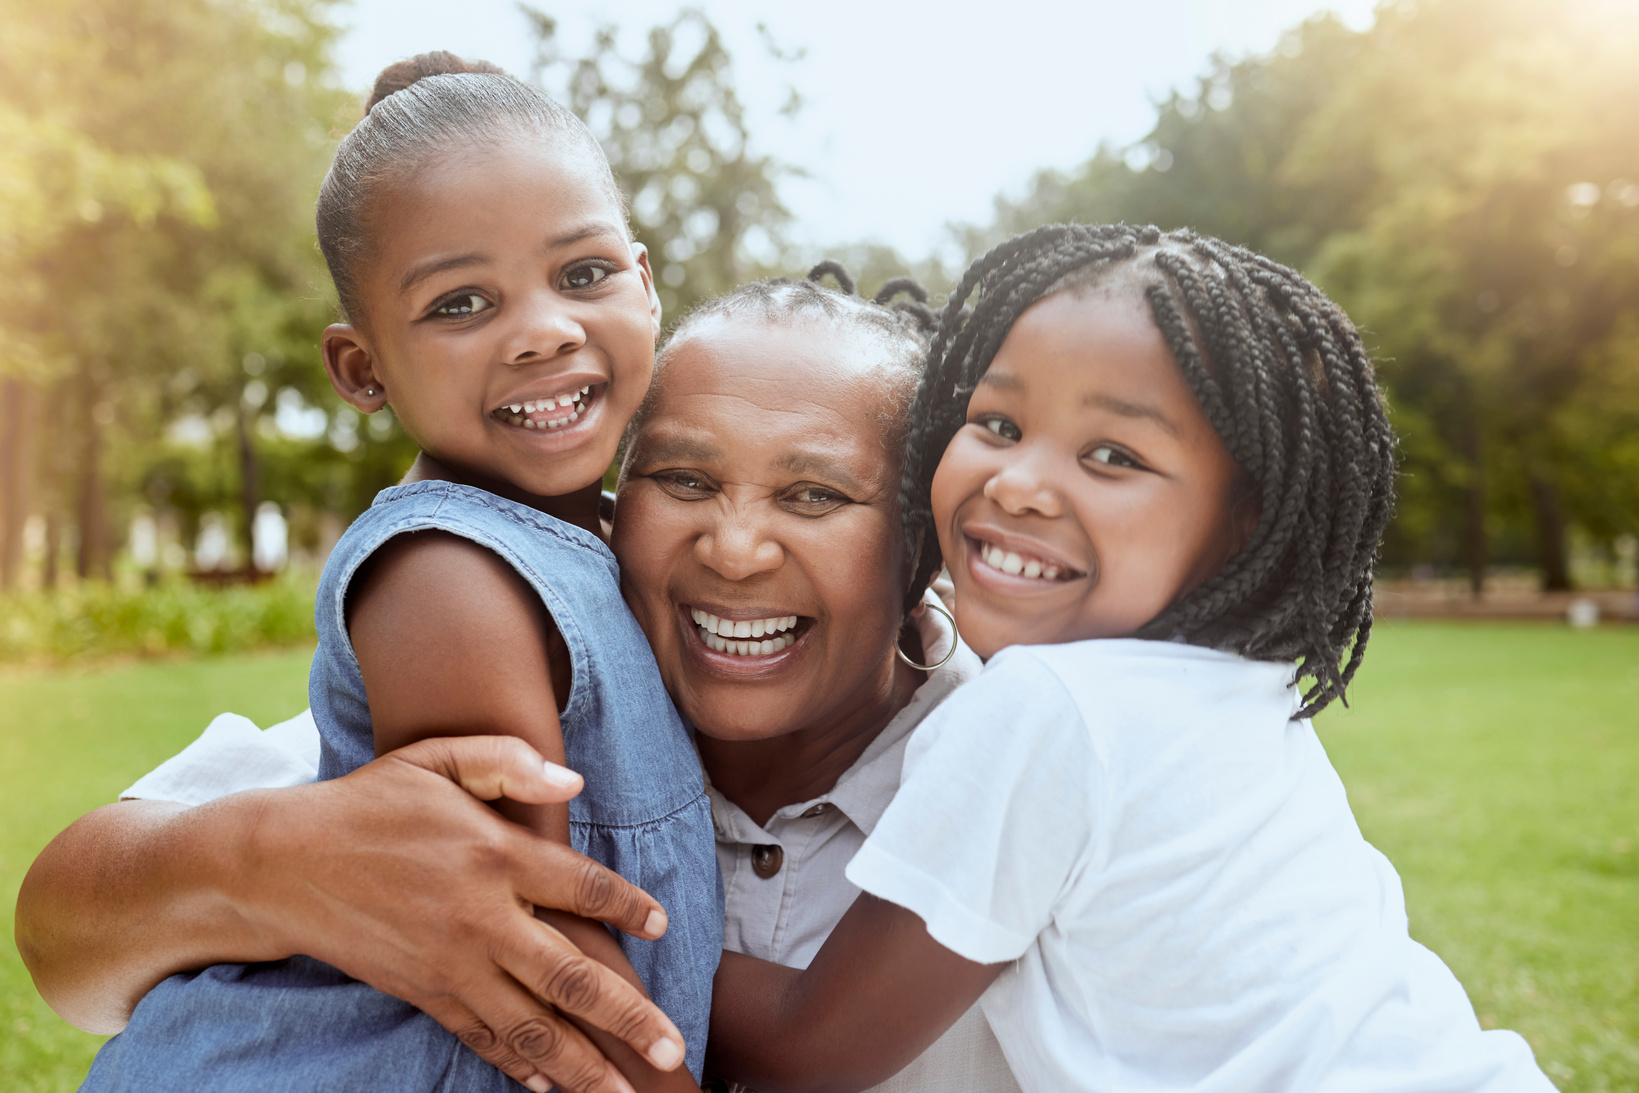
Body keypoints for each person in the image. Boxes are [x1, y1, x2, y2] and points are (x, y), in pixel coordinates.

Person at [18, 267, 1024, 1092]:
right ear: (608, 513)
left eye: (813, 493)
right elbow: (64, 944)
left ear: (919, 551)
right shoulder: (536, 694)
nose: (735, 546)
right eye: (682, 479)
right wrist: (270, 860)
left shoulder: (1014, 767)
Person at [704, 224, 1557, 1093]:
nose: (1017, 482)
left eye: (1112, 456)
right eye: (997, 422)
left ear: (1245, 523)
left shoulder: (1050, 709)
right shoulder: (1225, 693)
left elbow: (812, 1043)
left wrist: (581, 945)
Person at [73, 54, 720, 1093]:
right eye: (462, 302)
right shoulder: (447, 576)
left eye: (584, 273)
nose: (543, 330)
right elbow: (532, 950)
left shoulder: (604, 544)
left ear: (645, 286)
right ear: (362, 369)